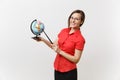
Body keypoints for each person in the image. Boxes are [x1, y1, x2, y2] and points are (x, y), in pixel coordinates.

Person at [33, 9, 85, 80]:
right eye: (72, 18)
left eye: (76, 19)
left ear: (81, 22)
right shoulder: (63, 31)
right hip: (57, 69)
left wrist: (60, 51)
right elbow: (53, 46)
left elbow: (76, 59)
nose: (73, 20)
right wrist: (42, 40)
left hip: (69, 72)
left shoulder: (80, 39)